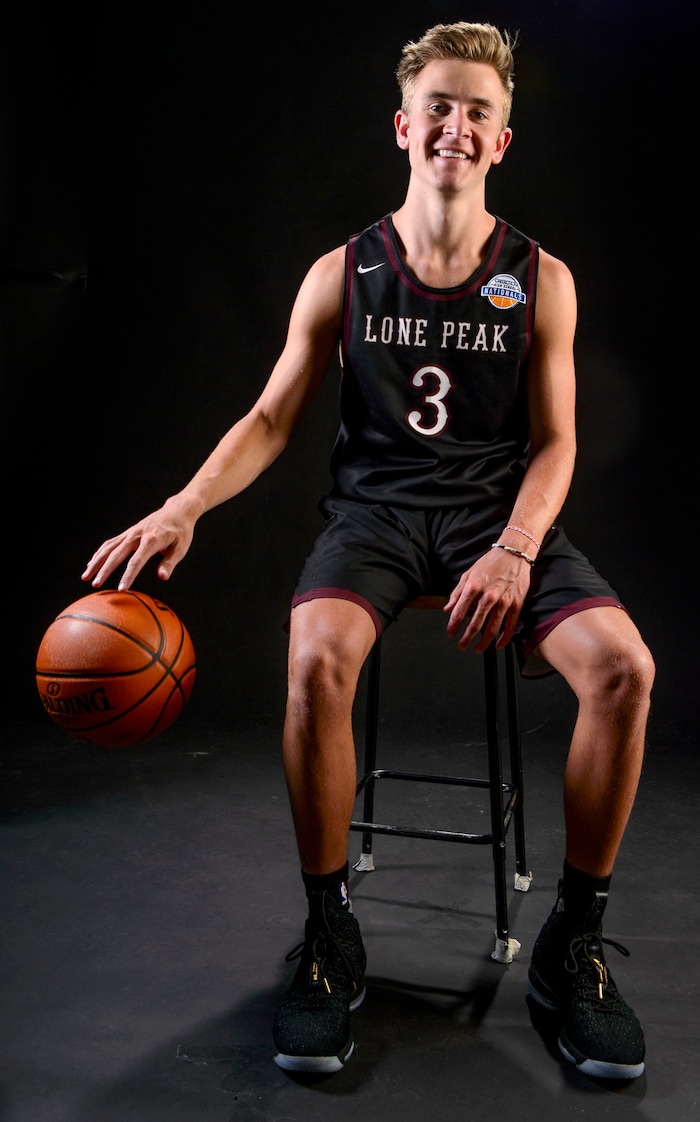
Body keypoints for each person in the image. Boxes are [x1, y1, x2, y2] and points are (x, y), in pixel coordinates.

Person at [82, 22, 655, 1081]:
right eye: (438, 105)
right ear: (403, 126)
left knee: (625, 670)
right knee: (313, 662)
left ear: (502, 139)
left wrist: (516, 547)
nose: (455, 125)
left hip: (497, 523)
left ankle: (572, 944)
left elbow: (560, 441)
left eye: (477, 110)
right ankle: (327, 932)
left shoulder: (540, 278)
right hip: (376, 519)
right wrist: (183, 506)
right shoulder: (342, 273)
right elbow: (269, 419)